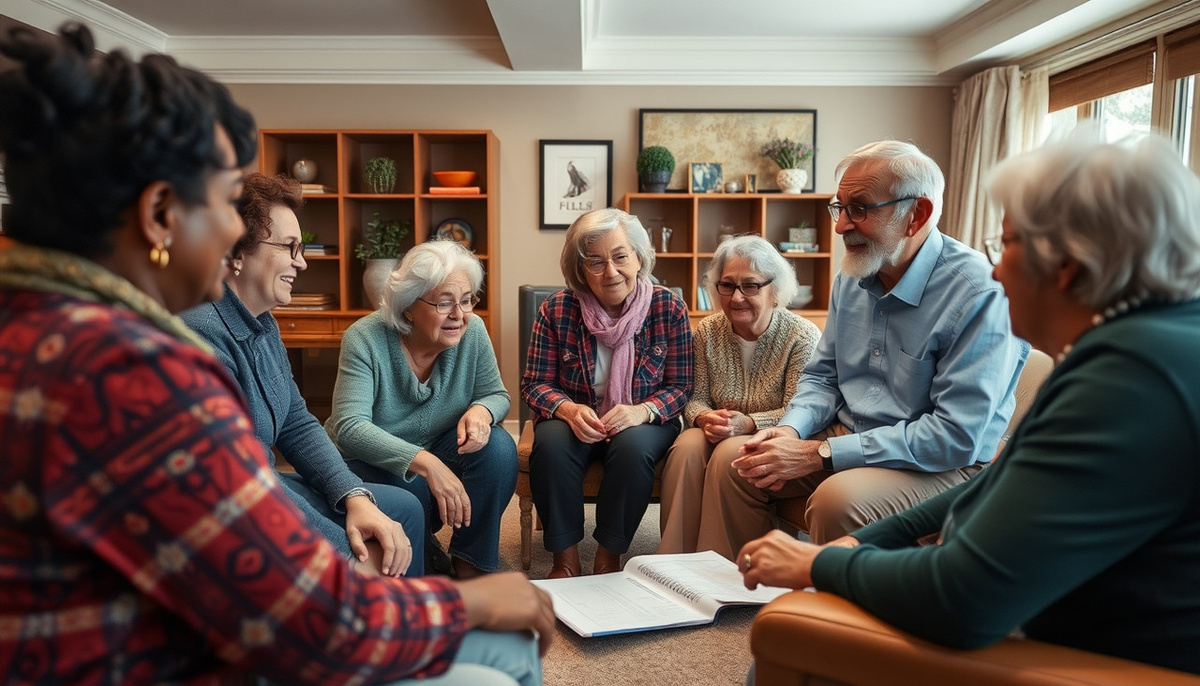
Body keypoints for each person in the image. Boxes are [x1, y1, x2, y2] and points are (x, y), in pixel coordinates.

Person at [0, 23, 551, 685]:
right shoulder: (134, 373)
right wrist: (475, 602)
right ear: (160, 214)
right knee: (508, 648)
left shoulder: (40, 328)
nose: (233, 230)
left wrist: (352, 499)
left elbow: (287, 435)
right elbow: (312, 622)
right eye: (224, 203)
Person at [739, 131, 1200, 676]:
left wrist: (820, 565)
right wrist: (857, 546)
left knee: (790, 636)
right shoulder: (1141, 347)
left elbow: (962, 599)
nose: (996, 271)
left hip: (1091, 662)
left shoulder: (1129, 380)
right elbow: (1002, 479)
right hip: (1055, 624)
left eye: (1006, 245)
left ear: (1067, 264)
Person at [700, 140, 1028, 557]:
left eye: (859, 209)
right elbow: (823, 376)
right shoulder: (852, 276)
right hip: (849, 432)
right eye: (839, 207)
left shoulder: (979, 294)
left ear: (916, 214)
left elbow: (955, 436)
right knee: (738, 459)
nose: (840, 226)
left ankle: (829, 595)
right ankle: (735, 587)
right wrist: (789, 430)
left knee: (838, 499)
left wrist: (821, 453)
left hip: (943, 464)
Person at [181, 172, 424, 577]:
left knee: (403, 508)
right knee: (370, 552)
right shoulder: (200, 335)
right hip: (231, 511)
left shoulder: (263, 323)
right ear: (235, 252)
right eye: (290, 247)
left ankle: (401, 612)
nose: (302, 261)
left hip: (265, 483)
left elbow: (295, 421)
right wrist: (342, 558)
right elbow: (241, 481)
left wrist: (353, 496)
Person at [325, 240, 517, 581]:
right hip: (368, 461)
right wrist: (427, 463)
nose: (459, 314)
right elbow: (349, 427)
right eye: (444, 302)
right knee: (410, 489)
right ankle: (424, 554)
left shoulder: (472, 331)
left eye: (466, 299)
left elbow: (495, 394)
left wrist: (482, 411)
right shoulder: (365, 338)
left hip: (437, 448)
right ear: (408, 307)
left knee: (499, 448)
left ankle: (472, 563)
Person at [521, 208, 693, 578]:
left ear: (639, 258)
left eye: (620, 257)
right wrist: (567, 409)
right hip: (576, 415)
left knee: (633, 448)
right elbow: (534, 384)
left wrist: (641, 411)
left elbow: (681, 386)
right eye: (595, 262)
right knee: (550, 445)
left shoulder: (668, 308)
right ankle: (565, 561)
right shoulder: (556, 309)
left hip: (643, 416)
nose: (610, 272)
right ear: (580, 270)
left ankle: (607, 558)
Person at [658, 235, 820, 554]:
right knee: (686, 447)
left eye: (750, 286)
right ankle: (673, 559)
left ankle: (725, 562)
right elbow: (695, 397)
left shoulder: (801, 337)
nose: (736, 297)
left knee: (731, 454)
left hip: (776, 437)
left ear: (775, 290)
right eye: (728, 285)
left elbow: (801, 409)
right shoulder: (707, 331)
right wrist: (704, 417)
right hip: (717, 431)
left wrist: (749, 423)